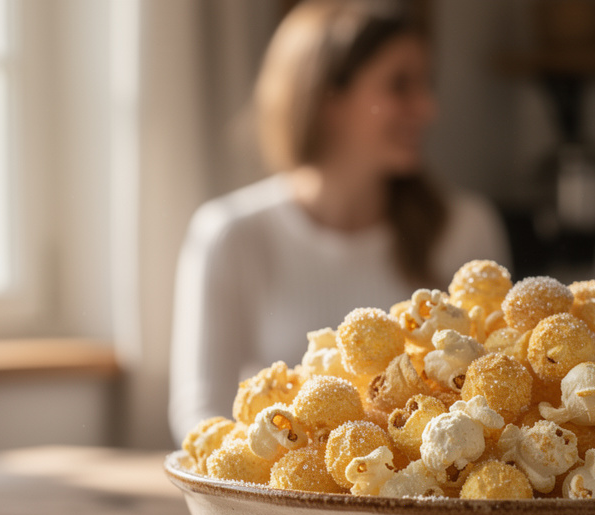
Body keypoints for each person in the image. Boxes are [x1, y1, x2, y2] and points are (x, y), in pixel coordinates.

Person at [169, 0, 509, 442]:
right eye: (400, 85)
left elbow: (495, 386)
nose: (428, 108)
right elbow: (200, 413)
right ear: (327, 96)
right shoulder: (231, 234)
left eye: (425, 84)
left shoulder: (465, 227)